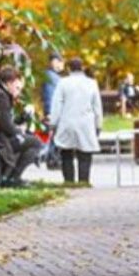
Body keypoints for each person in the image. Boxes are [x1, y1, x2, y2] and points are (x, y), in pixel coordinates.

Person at [0, 66, 41, 187]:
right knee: (35, 142)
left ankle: (9, 178)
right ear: (9, 83)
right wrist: (20, 131)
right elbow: (8, 129)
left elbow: (3, 121)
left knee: (26, 139)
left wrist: (22, 118)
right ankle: (11, 179)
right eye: (17, 87)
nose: (19, 91)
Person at [49, 57, 104, 185]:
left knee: (66, 153)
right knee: (85, 153)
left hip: (67, 122)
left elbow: (57, 105)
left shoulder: (63, 83)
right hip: (86, 123)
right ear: (82, 68)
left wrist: (53, 123)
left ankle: (69, 181)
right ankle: (84, 181)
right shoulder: (91, 83)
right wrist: (98, 124)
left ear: (69, 68)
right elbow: (97, 106)